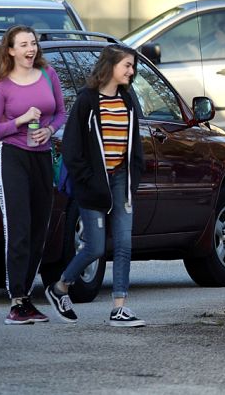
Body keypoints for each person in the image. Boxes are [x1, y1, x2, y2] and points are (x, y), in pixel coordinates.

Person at [45, 45, 146, 327]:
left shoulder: (127, 100)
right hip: (92, 185)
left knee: (124, 244)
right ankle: (60, 287)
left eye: (133, 66)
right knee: (95, 248)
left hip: (121, 180)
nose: (131, 71)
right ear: (110, 66)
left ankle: (119, 308)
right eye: (127, 65)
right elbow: (71, 148)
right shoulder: (87, 101)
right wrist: (89, 181)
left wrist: (134, 176)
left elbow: (135, 144)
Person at [0, 25, 66, 324]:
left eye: (33, 43)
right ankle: (16, 301)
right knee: (18, 230)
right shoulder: (1, 87)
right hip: (13, 158)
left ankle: (27, 298)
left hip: (42, 156)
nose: (30, 49)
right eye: (23, 45)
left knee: (38, 231)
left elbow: (61, 112)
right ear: (10, 50)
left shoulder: (48, 74)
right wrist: (20, 120)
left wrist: (50, 129)